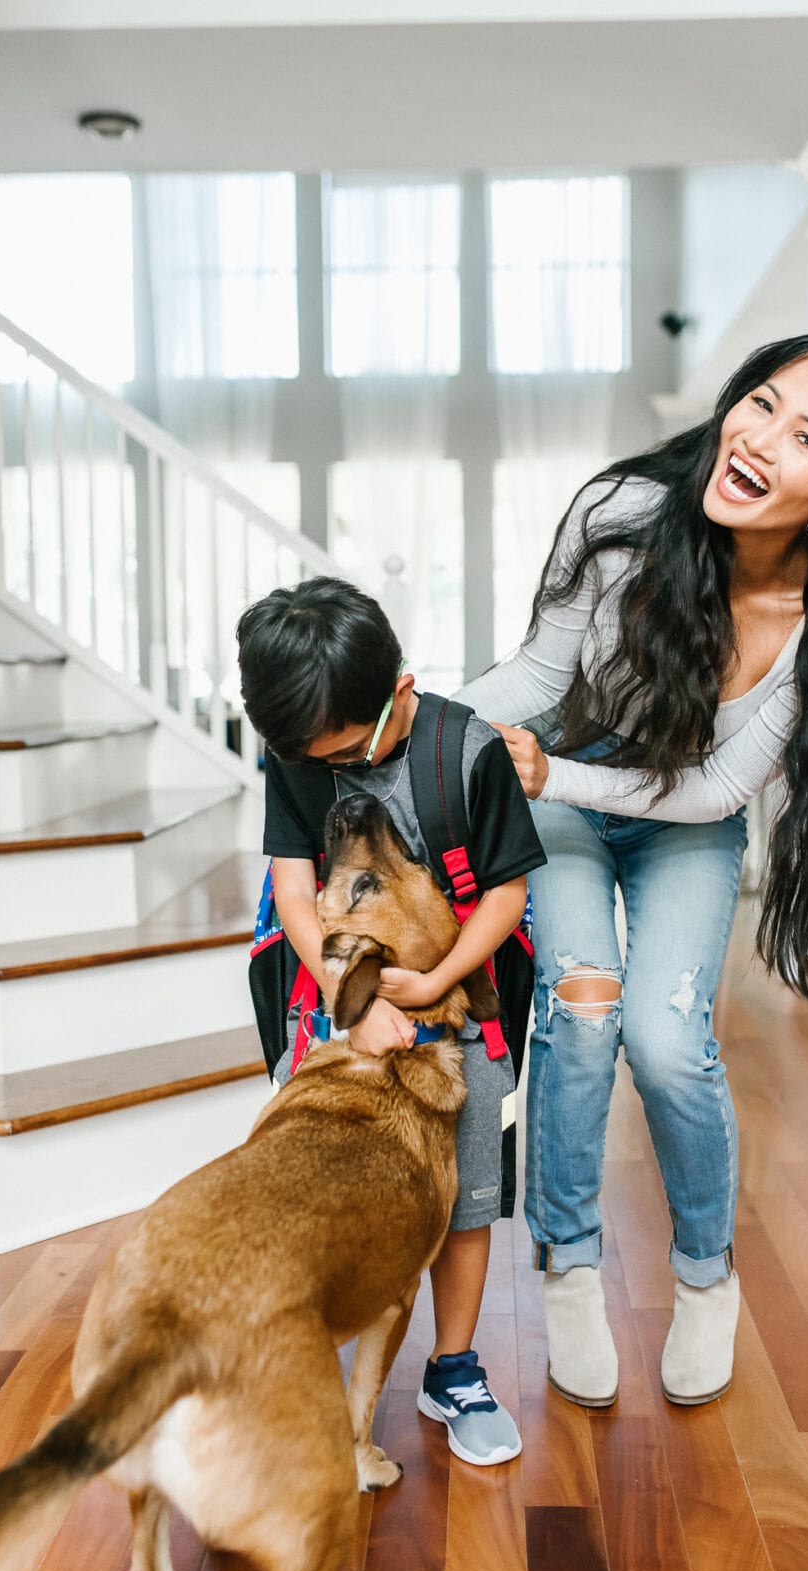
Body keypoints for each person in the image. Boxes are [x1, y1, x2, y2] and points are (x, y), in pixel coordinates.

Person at [455, 327, 808, 1410]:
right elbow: (536, 676)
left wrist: (551, 782)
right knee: (582, 1010)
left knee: (670, 1040)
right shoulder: (619, 515)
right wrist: (423, 726)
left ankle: (704, 1275)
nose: (759, 435)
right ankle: (570, 1263)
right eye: (761, 401)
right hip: (571, 780)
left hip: (669, 812)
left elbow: (715, 793)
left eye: (806, 434)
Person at [235, 578, 547, 1465]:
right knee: (320, 1182)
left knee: (467, 1196)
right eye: (315, 760)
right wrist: (354, 999)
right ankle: (305, 1371)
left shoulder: (468, 752)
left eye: (342, 754)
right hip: (338, 1000)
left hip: (461, 1004)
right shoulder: (299, 756)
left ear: (397, 694)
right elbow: (294, 889)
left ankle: (453, 1369)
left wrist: (441, 976)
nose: (331, 770)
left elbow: (507, 891)